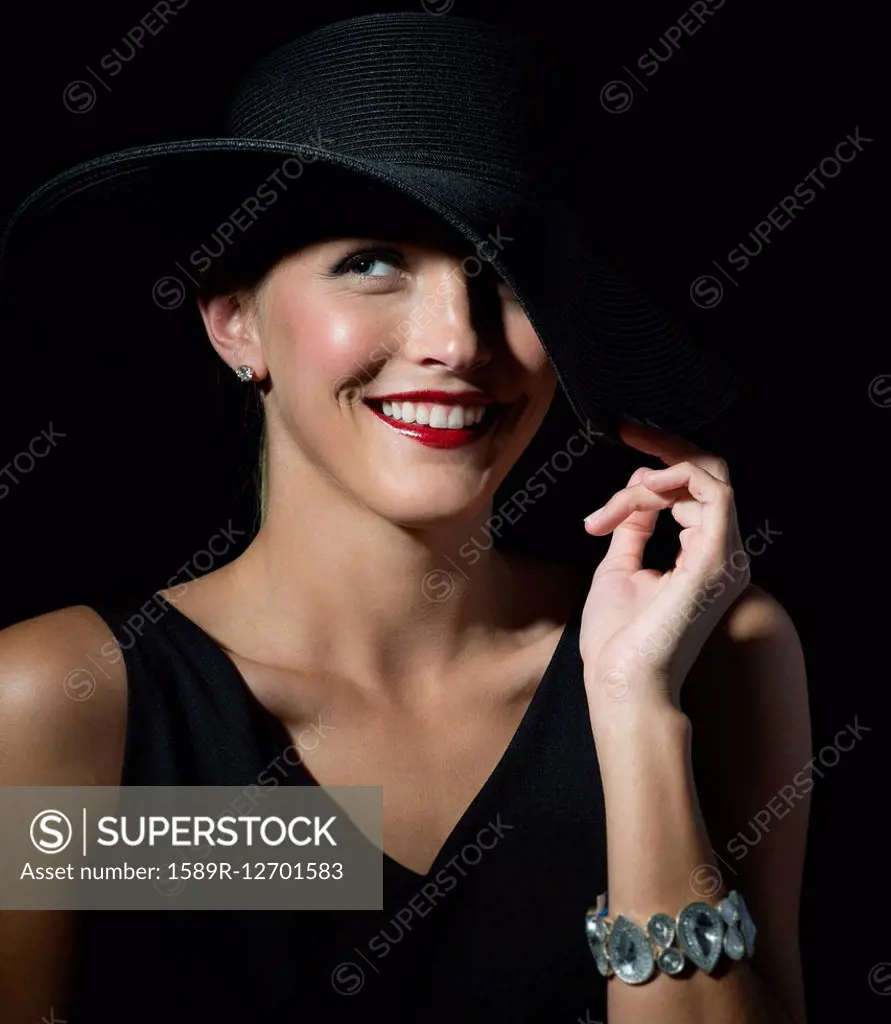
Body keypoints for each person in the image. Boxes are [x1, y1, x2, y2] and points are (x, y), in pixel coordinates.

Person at [0, 12, 810, 1024]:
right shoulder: (61, 702)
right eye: (374, 260)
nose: (455, 341)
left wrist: (634, 713)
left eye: (505, 270)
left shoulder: (719, 653)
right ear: (233, 320)